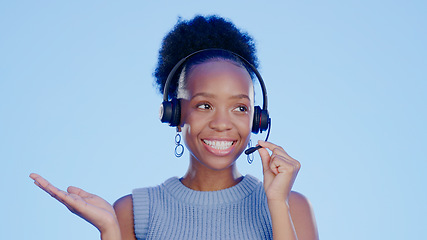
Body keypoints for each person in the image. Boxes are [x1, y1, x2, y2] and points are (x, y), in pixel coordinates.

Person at [30, 15, 318, 240]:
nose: (221, 124)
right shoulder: (133, 212)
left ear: (257, 119)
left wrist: (277, 204)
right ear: (175, 113)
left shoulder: (292, 206)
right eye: (204, 105)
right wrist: (110, 231)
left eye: (240, 108)